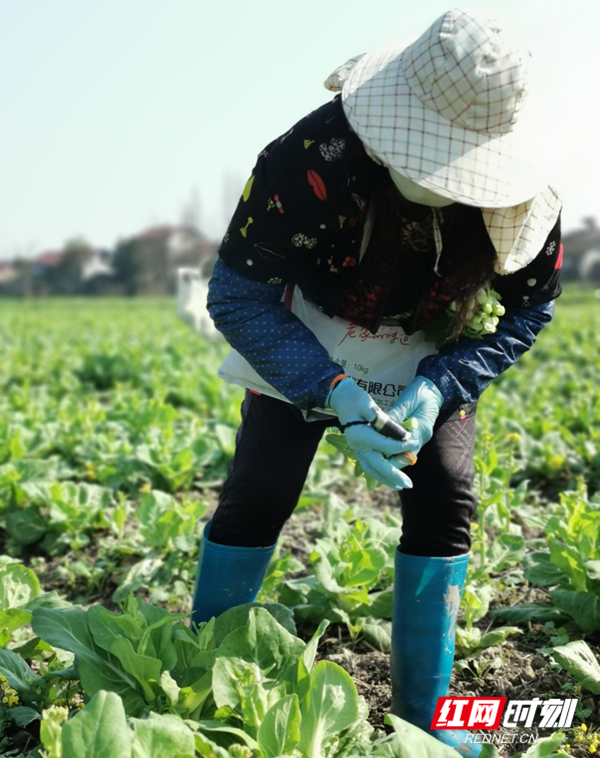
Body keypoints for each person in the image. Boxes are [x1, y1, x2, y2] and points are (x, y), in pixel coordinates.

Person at [191, 9, 562, 757]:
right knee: (260, 489)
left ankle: (429, 719)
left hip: (433, 342)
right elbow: (236, 293)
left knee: (446, 495)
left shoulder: (527, 205)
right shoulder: (309, 158)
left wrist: (444, 382)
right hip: (308, 328)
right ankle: (203, 676)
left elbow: (530, 312)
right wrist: (328, 388)